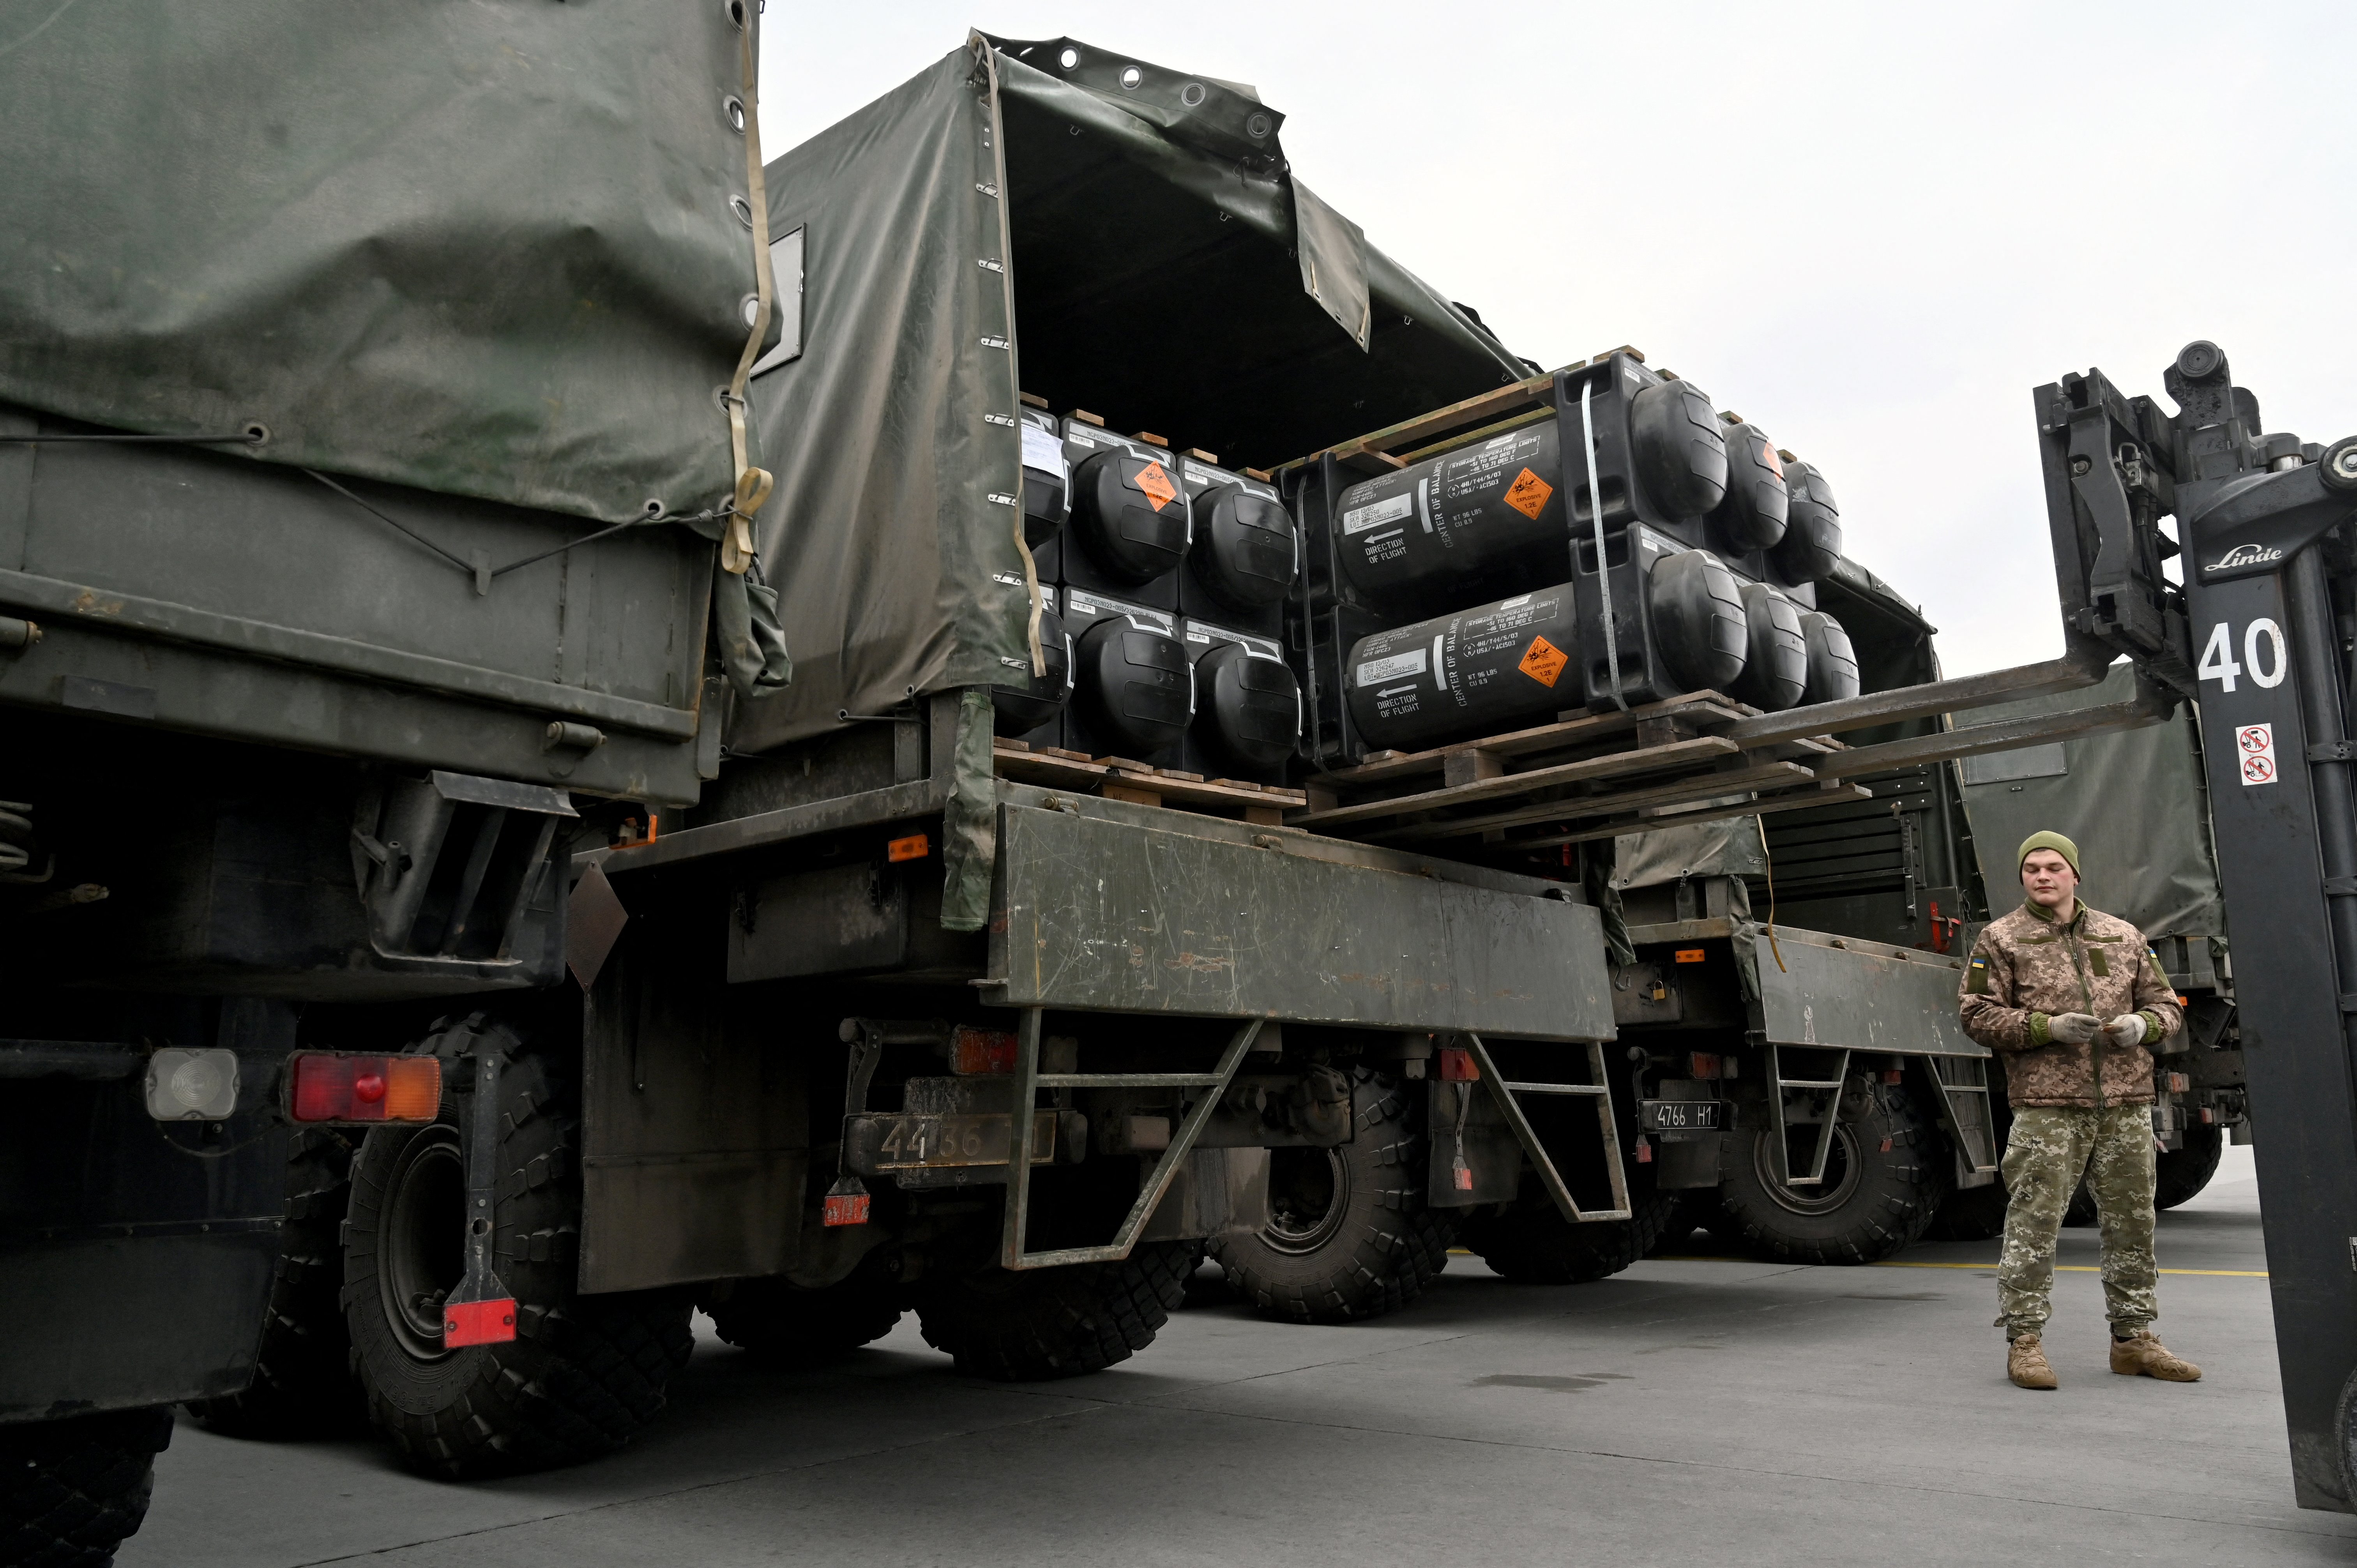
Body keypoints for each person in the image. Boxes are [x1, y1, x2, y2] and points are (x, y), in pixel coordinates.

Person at [1958, 830, 2202, 1390]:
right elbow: (1975, 1015)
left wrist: (2144, 1026)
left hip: (2124, 1103)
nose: (2042, 877)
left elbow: (2166, 1005)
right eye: (2031, 870)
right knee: (2034, 1223)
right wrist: (2046, 1028)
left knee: (2134, 1223)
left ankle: (2134, 1340)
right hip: (2048, 1106)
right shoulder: (2001, 940)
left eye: (2052, 867)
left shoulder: (2121, 935)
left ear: (2075, 873)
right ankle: (2025, 1341)